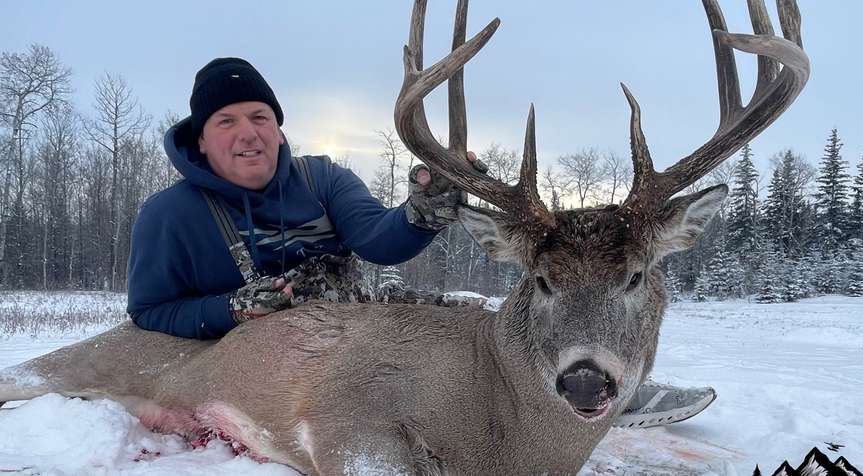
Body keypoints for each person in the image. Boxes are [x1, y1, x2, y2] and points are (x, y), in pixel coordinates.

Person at [126, 57, 714, 428]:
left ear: (278, 127)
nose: (247, 132)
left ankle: (608, 384)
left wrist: (421, 213)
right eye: (225, 121)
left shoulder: (321, 179)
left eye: (259, 116)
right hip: (248, 350)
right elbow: (149, 311)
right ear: (200, 140)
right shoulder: (168, 216)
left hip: (345, 321)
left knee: (473, 324)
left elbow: (380, 243)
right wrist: (228, 309)